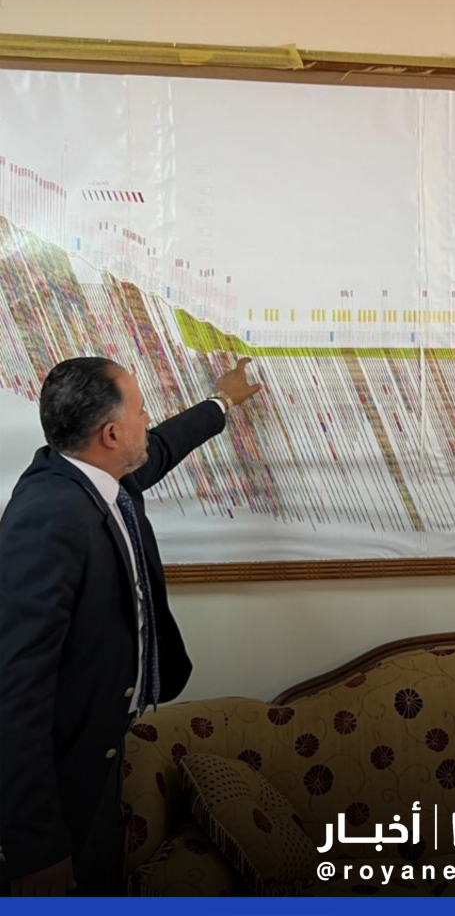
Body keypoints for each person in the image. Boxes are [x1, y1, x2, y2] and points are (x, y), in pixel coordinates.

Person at [0, 355, 261, 896]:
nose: (148, 420)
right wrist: (36, 846)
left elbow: (161, 447)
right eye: (141, 411)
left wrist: (222, 401)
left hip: (98, 752)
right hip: (57, 779)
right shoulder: (49, 516)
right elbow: (14, 691)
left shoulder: (96, 475)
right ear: (112, 434)